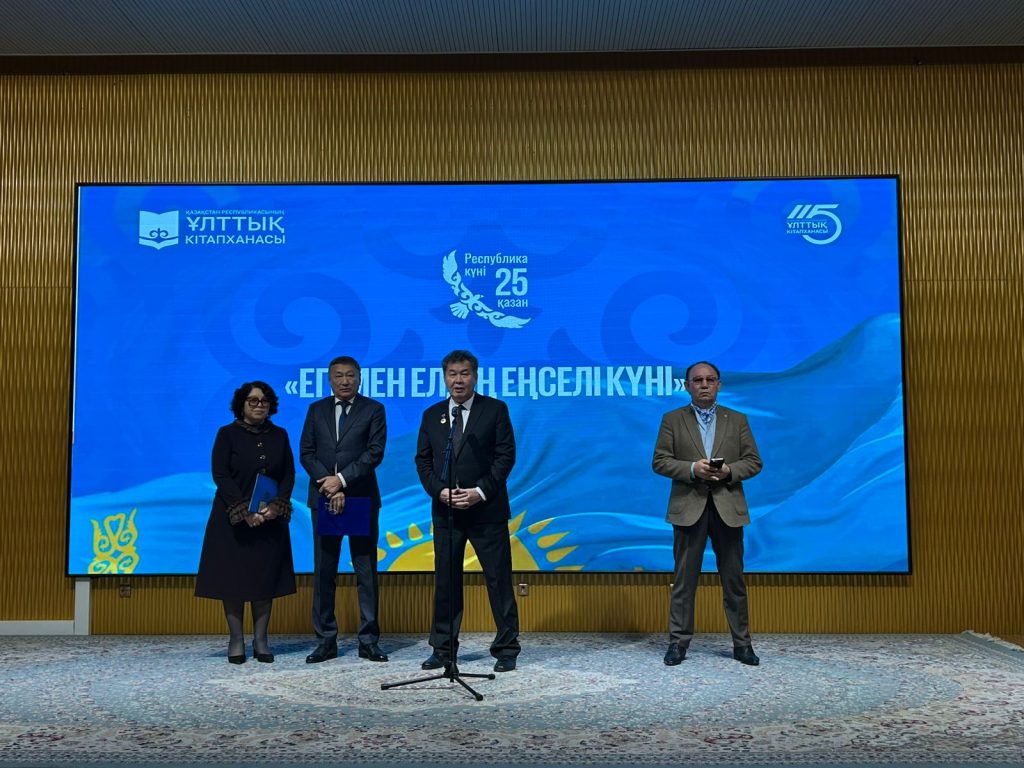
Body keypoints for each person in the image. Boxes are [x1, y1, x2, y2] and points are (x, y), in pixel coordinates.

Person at [415, 350, 520, 673]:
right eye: (452, 374)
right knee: (446, 582)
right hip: (446, 512)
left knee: (498, 580)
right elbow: (423, 461)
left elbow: (505, 457)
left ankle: (506, 648)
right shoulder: (433, 415)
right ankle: (443, 648)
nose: (458, 380)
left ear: (475, 376)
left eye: (464, 374)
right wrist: (440, 491)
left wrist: (479, 492)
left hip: (486, 510)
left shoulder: (495, 410)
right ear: (444, 378)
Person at [652, 361, 763, 667]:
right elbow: (660, 461)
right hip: (689, 507)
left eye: (710, 380)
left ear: (719, 385)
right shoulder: (672, 419)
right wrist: (692, 468)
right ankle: (678, 643)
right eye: (698, 380)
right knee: (684, 580)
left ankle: (742, 644)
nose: (704, 385)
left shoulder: (737, 419)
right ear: (687, 385)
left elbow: (754, 461)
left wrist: (729, 471)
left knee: (734, 581)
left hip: (728, 507)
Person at [195, 381, 296, 664]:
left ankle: (261, 639)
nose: (259, 405)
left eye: (264, 401)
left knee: (265, 580)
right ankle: (236, 639)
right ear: (241, 405)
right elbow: (221, 475)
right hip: (233, 520)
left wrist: (276, 506)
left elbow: (288, 474)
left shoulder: (280, 435)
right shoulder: (227, 434)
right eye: (253, 401)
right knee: (233, 581)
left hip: (270, 519)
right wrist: (244, 511)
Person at [300, 356, 388, 664]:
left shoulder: (373, 409)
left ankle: (369, 641)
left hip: (360, 497)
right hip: (324, 497)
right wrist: (330, 485)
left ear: (359, 378)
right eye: (339, 375)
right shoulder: (316, 410)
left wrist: (342, 481)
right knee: (324, 572)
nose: (345, 380)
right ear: (330, 380)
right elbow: (307, 453)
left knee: (366, 571)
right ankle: (325, 640)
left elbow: (374, 453)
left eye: (350, 375)